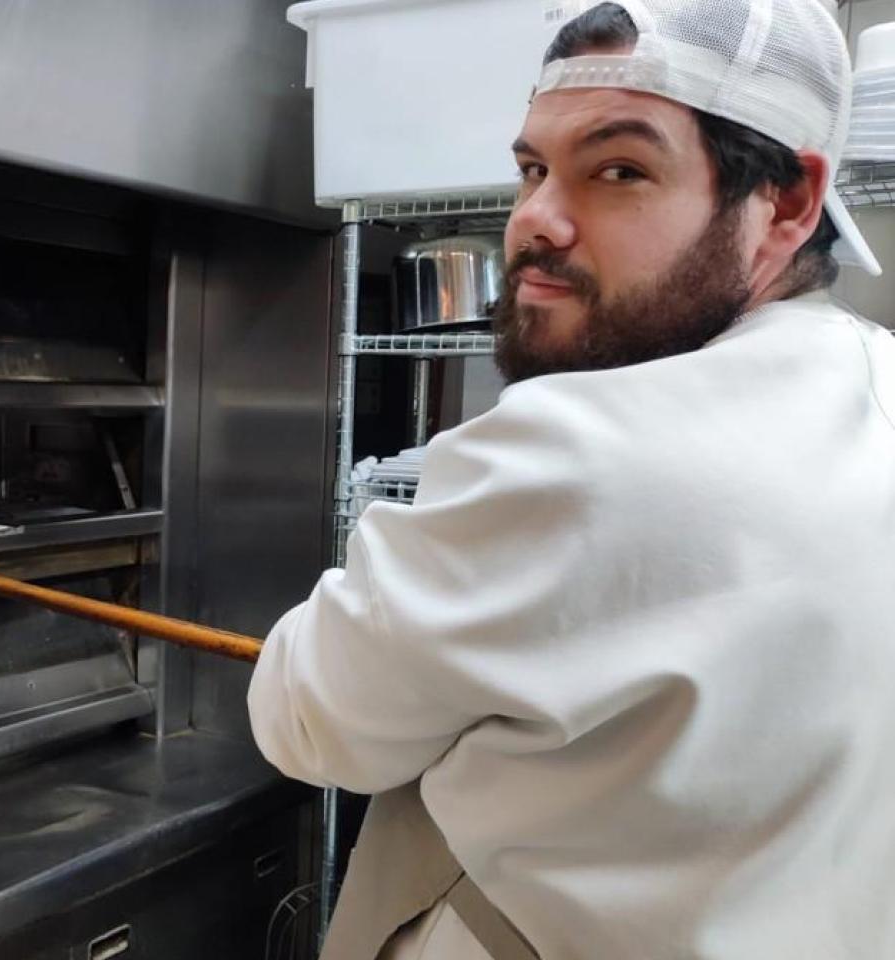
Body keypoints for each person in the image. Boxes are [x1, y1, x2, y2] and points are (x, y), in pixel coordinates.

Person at [249, 1, 895, 958]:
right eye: (533, 169)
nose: (536, 221)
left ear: (790, 203)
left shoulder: (580, 446)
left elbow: (313, 723)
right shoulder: (876, 377)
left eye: (620, 171)